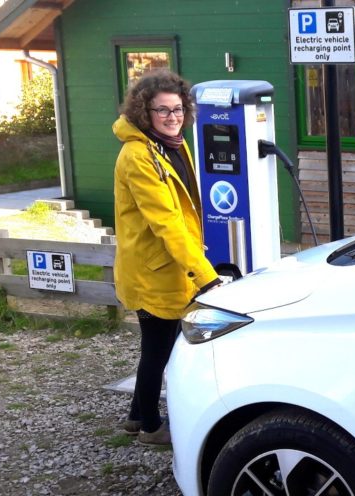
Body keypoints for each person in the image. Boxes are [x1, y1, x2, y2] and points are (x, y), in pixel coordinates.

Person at [112, 69, 220, 446]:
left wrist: (194, 254)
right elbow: (166, 221)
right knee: (158, 351)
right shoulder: (137, 155)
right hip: (152, 270)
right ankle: (150, 427)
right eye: (162, 110)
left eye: (178, 109)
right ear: (144, 112)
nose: (172, 117)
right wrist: (206, 276)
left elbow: (184, 210)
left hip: (171, 264)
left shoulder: (172, 144)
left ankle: (136, 416)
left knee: (160, 347)